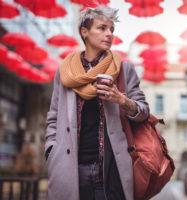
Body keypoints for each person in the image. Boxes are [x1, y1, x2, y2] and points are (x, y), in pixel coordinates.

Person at [45, 5, 149, 200]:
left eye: (112, 29)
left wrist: (123, 100)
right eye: (102, 28)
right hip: (71, 167)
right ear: (85, 32)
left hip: (111, 168)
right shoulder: (66, 72)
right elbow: (53, 116)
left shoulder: (124, 70)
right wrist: (51, 151)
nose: (109, 34)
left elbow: (143, 111)